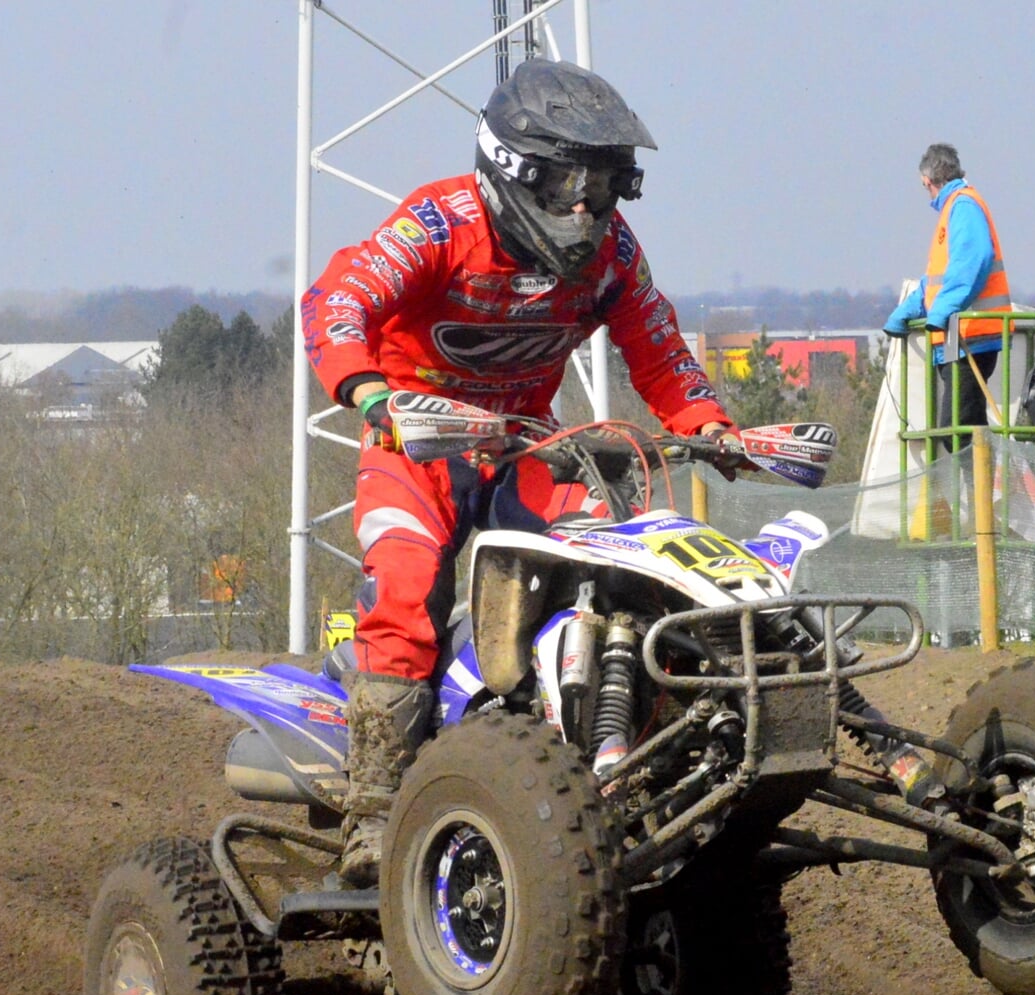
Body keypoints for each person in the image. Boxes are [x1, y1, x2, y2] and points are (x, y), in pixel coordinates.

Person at [299, 59, 744, 885]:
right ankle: (375, 814)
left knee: (625, 552)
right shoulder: (437, 224)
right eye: (572, 180)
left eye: (606, 184)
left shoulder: (609, 252)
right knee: (402, 586)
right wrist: (367, 392)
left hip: (521, 443)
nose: (588, 205)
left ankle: (626, 753)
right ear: (517, 171)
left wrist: (707, 425)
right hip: (417, 440)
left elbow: (660, 348)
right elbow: (335, 301)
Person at [883, 143, 1011, 449]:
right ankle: (981, 493)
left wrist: (941, 312)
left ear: (927, 180)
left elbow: (972, 262)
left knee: (959, 433)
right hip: (960, 340)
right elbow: (938, 280)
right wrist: (909, 309)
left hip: (972, 338)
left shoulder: (962, 206)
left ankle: (984, 494)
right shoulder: (955, 207)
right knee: (966, 430)